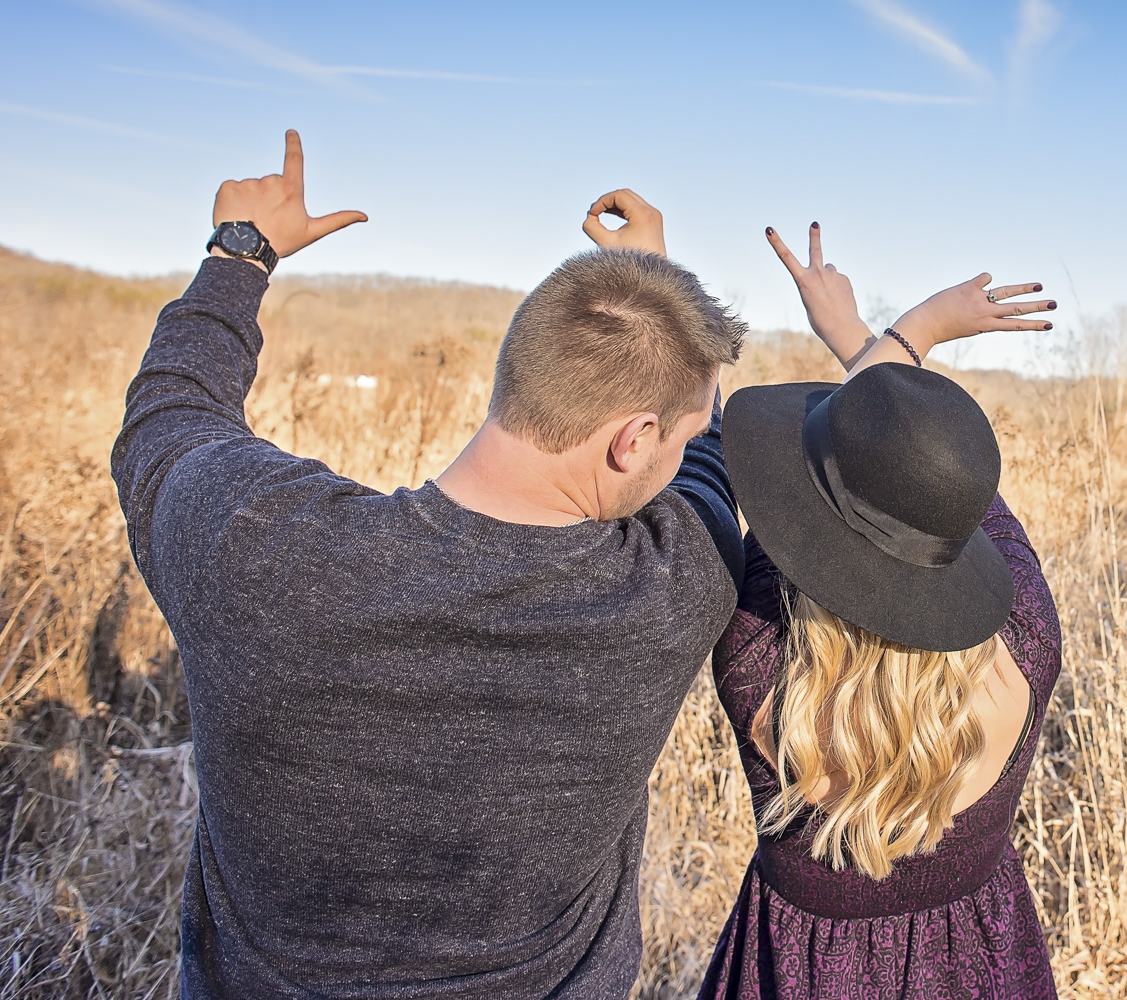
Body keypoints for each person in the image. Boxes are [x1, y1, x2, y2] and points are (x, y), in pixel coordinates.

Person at [112, 130, 747, 998]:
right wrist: (658, 285)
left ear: (518, 372)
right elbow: (711, 450)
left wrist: (240, 256)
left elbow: (168, 413)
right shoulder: (678, 585)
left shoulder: (258, 547)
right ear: (635, 442)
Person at [699, 222, 1062, 998]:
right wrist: (885, 335)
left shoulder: (754, 651)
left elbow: (748, 474)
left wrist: (907, 332)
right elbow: (933, 484)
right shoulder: (1029, 632)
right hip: (981, 969)